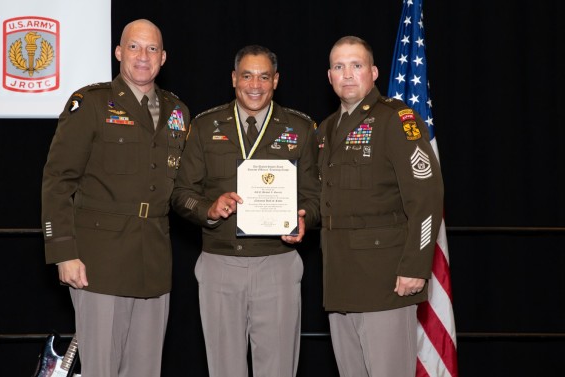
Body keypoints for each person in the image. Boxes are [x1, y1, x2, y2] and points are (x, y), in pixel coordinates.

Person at [41, 19, 190, 377]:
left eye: (152, 49)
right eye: (135, 47)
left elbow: (184, 187)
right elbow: (58, 180)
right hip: (99, 262)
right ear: (119, 52)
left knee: (145, 370)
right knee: (101, 369)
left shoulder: (178, 113)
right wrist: (64, 252)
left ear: (164, 57)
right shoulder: (90, 103)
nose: (143, 56)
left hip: (153, 262)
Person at [171, 45, 320, 377]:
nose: (256, 85)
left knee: (279, 368)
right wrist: (208, 209)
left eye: (264, 76)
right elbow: (180, 194)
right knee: (224, 369)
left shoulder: (301, 128)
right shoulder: (205, 125)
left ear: (276, 81)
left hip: (278, 264)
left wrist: (303, 219)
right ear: (234, 79)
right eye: (248, 75)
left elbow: (317, 197)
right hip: (219, 263)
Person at [318, 36, 444, 377]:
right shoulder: (327, 129)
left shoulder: (397, 120)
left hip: (386, 281)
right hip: (340, 283)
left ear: (373, 72)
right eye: (339, 67)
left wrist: (416, 266)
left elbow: (427, 198)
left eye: (356, 66)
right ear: (329, 76)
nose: (347, 74)